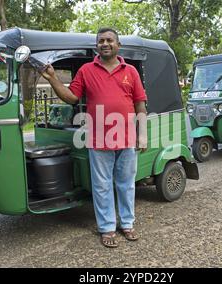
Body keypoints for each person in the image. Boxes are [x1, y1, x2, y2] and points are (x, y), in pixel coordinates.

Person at [41, 28, 147, 248]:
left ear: (118, 45)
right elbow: (71, 97)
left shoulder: (131, 72)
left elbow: (140, 105)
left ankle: (127, 224)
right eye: (101, 41)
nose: (105, 43)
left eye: (109, 40)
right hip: (99, 139)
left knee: (126, 184)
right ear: (96, 46)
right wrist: (52, 78)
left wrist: (143, 134)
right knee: (102, 186)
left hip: (126, 137)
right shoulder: (86, 70)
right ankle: (107, 227)